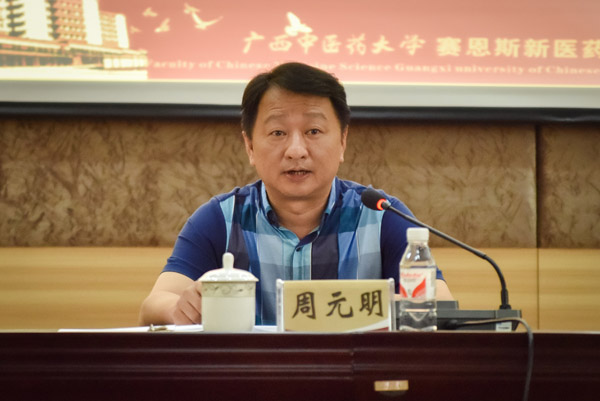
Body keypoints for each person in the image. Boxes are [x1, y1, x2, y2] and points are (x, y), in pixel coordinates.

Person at [139, 62, 452, 326]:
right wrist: (181, 308)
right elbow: (154, 305)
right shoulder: (220, 219)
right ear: (250, 146)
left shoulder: (382, 215)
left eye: (313, 131)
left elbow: (442, 304)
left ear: (342, 141)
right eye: (278, 133)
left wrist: (392, 307)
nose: (296, 150)